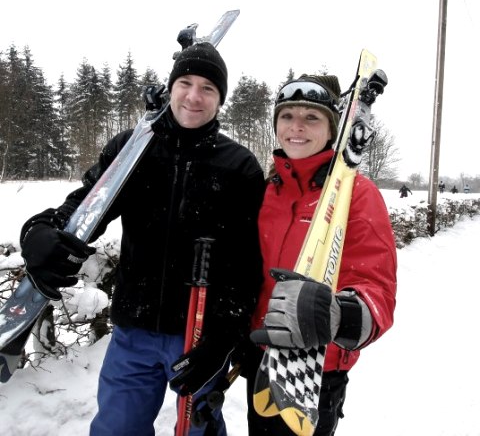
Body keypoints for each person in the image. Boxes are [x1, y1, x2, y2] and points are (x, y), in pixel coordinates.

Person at [19, 42, 265, 436]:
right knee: (117, 428)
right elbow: (88, 204)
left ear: (221, 100)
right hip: (134, 328)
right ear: (171, 88)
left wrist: (222, 339)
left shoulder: (239, 167)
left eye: (208, 88)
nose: (193, 96)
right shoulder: (134, 148)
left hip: (199, 331)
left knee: (199, 429)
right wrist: (43, 228)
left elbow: (247, 263)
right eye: (185, 82)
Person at [244, 75, 397, 435]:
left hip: (317, 370)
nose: (296, 127)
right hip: (261, 356)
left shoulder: (358, 195)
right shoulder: (267, 193)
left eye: (311, 118)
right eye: (287, 116)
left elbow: (377, 290)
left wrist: (339, 314)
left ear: (332, 129)